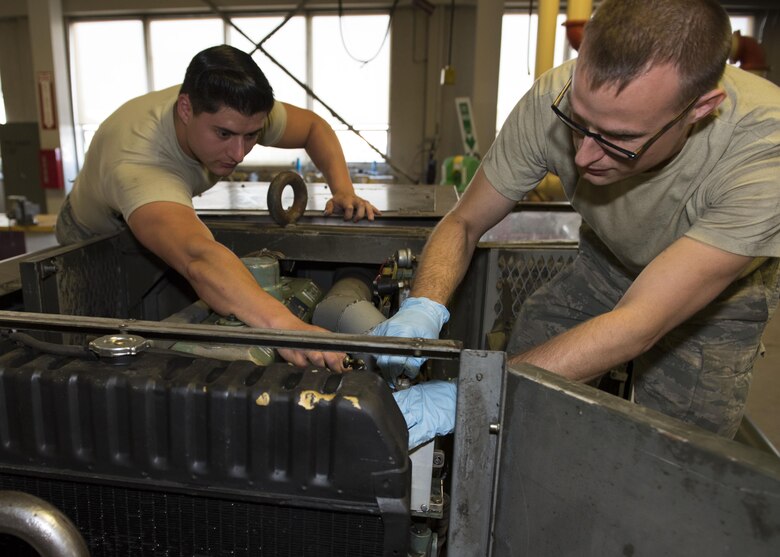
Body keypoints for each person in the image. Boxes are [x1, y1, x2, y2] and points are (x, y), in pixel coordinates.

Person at [372, 0, 780, 440]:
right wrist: (424, 306)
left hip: (717, 302)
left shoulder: (763, 152)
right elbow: (465, 222)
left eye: (621, 139)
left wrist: (470, 395)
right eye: (578, 123)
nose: (583, 156)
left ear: (700, 110)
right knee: (524, 386)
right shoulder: (554, 96)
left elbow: (640, 322)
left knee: (675, 453)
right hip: (607, 262)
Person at [56, 44, 380, 371]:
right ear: (185, 109)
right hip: (93, 237)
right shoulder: (138, 163)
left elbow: (313, 128)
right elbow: (199, 258)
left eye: (251, 135)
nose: (238, 153)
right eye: (223, 134)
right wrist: (288, 328)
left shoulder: (233, 109)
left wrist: (343, 190)